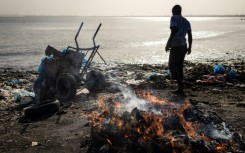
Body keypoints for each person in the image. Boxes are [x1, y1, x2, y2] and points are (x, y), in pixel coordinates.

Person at [165, 4, 192, 94]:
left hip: (176, 45)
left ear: (176, 11)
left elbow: (174, 30)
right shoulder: (186, 21)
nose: (172, 13)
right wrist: (190, 47)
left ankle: (180, 85)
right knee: (179, 66)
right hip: (183, 45)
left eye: (173, 11)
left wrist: (168, 43)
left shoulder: (173, 18)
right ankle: (180, 88)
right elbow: (190, 35)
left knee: (172, 65)